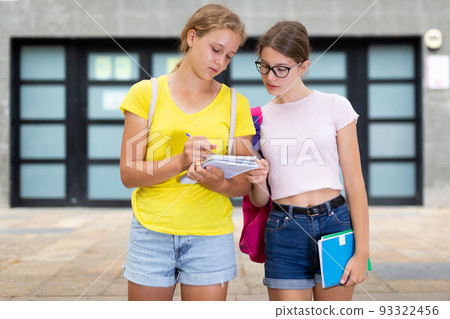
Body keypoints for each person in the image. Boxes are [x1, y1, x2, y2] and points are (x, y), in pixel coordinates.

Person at [119, 4, 255, 301]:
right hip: (151, 232)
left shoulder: (236, 104)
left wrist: (218, 182)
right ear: (192, 37)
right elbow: (129, 175)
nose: (220, 62)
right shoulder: (146, 94)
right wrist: (181, 160)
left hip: (211, 238)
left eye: (229, 55)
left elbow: (246, 181)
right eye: (215, 49)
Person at [247, 21, 369, 301]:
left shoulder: (336, 106)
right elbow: (258, 201)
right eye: (264, 65)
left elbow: (354, 181)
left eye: (281, 68)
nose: (270, 76)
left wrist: (362, 252)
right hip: (283, 229)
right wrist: (259, 180)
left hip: (335, 224)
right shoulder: (258, 119)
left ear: (304, 67)